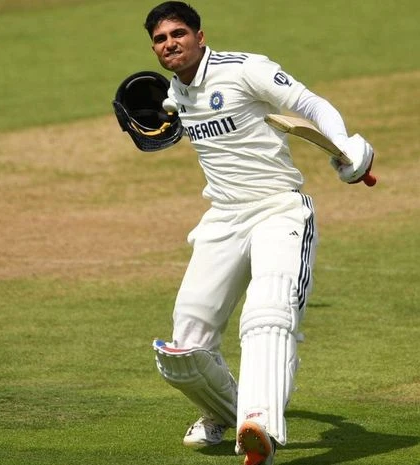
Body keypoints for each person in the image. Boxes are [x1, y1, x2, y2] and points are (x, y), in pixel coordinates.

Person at [142, 2, 374, 464]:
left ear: (200, 36)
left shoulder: (246, 69)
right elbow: (173, 112)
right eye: (161, 39)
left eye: (179, 33)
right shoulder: (176, 92)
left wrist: (347, 145)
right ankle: (227, 415)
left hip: (278, 210)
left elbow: (308, 104)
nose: (171, 43)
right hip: (223, 218)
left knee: (268, 315)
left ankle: (260, 426)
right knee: (182, 349)